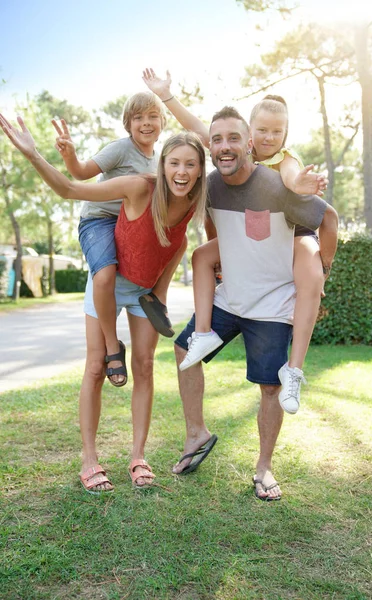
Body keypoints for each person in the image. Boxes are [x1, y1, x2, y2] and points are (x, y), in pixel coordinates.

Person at [0, 112, 206, 494]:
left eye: (190, 164)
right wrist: (33, 154)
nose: (181, 171)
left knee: (144, 366)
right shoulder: (139, 186)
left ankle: (138, 456)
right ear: (161, 166)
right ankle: (90, 459)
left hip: (143, 292)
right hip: (107, 286)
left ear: (198, 171)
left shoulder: (193, 202)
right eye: (174, 163)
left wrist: (159, 298)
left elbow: (176, 244)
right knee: (96, 367)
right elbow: (69, 189)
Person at [169, 106, 337, 500]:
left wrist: (321, 273)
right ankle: (197, 434)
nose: (224, 146)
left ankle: (264, 468)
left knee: (269, 387)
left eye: (233, 139)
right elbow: (211, 223)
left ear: (249, 144)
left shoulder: (279, 185)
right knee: (183, 351)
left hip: (273, 305)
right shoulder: (208, 184)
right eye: (217, 139)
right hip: (230, 297)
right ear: (210, 146)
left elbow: (327, 218)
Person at [143, 69, 328, 414]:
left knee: (312, 281)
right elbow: (204, 132)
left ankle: (295, 368)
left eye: (277, 131)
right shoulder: (237, 156)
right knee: (201, 256)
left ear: (284, 134)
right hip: (255, 232)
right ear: (251, 137)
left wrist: (301, 186)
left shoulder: (286, 162)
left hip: (294, 230)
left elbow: (296, 184)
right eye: (262, 130)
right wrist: (167, 97)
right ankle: (203, 333)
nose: (269, 137)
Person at [52, 91, 177, 389]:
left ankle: (156, 298)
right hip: (98, 222)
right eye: (138, 118)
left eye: (152, 117)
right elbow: (80, 173)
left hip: (130, 225)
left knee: (176, 240)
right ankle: (112, 347)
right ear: (128, 124)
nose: (146, 124)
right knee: (105, 275)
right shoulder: (120, 149)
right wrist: (70, 155)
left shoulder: (161, 162)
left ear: (162, 122)